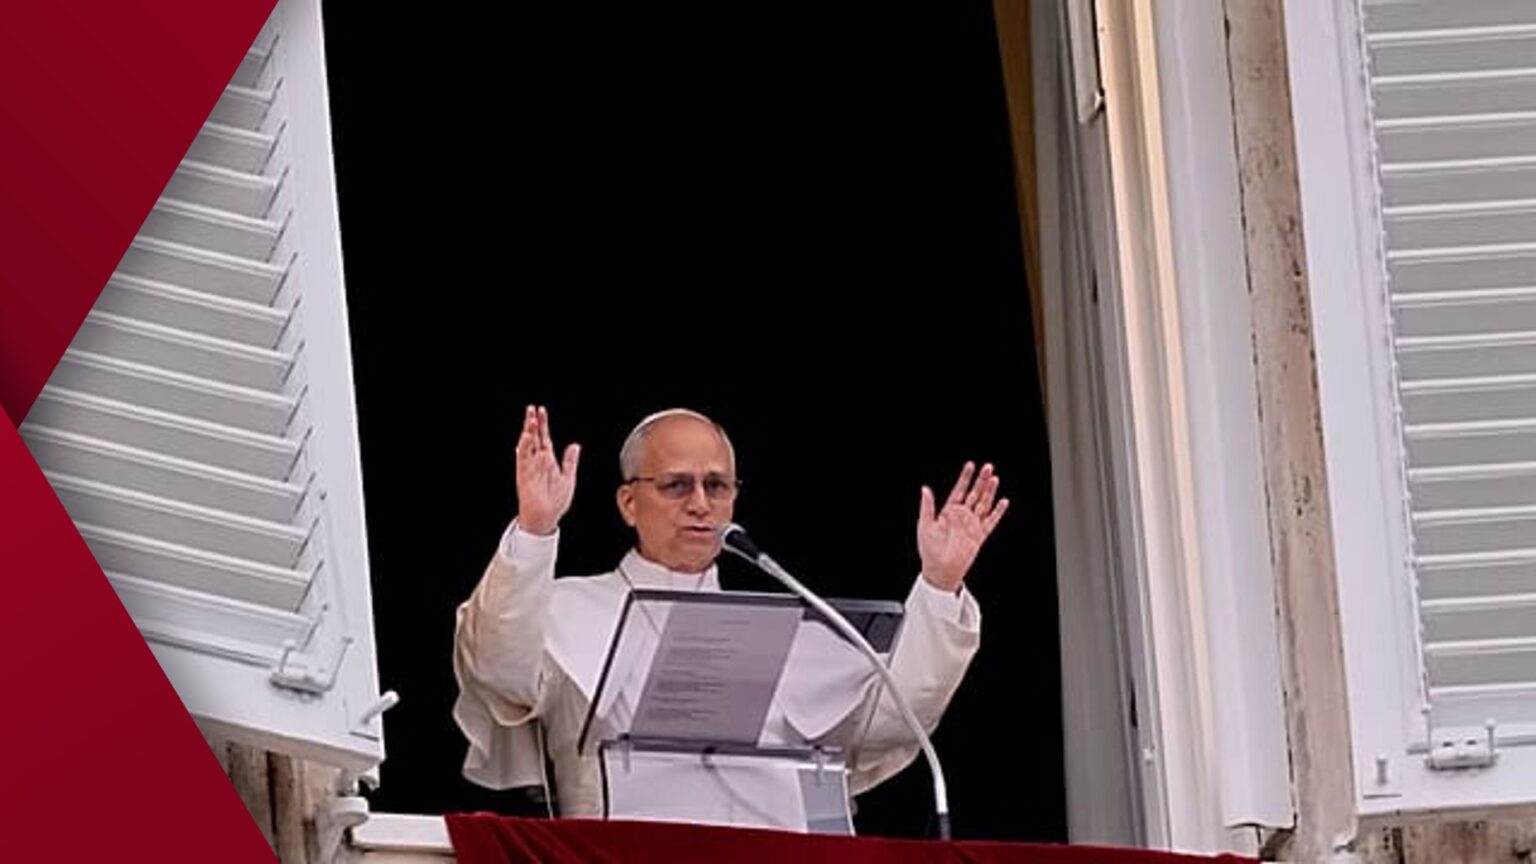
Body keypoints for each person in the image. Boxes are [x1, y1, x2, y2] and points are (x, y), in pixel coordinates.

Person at [453, 404, 1008, 819]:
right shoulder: (568, 607)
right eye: (676, 485)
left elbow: (890, 720)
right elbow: (499, 671)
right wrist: (534, 530)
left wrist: (939, 584)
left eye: (716, 485)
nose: (700, 503)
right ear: (628, 502)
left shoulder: (787, 624)